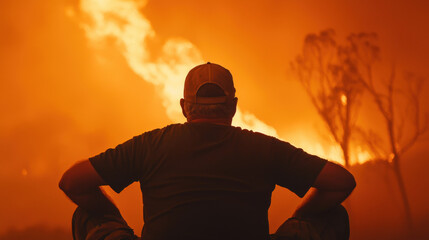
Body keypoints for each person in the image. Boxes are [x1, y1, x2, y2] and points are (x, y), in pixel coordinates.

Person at [59, 62, 356, 240]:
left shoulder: (151, 144)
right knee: (334, 216)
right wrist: (298, 218)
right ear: (234, 107)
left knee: (85, 216)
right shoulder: (264, 148)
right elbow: (342, 182)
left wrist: (113, 215)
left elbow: (72, 182)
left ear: (184, 107)